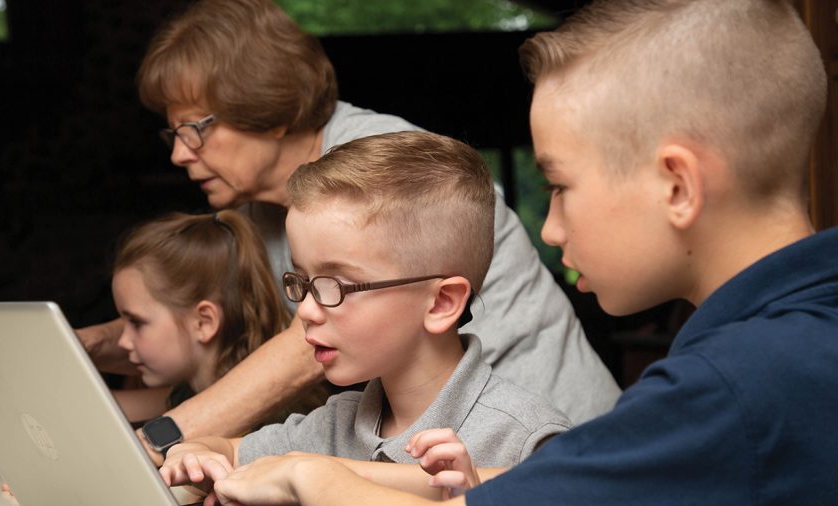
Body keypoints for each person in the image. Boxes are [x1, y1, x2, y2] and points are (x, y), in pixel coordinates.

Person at [207, 1, 838, 506]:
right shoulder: (797, 339)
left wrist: (310, 469)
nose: (553, 228)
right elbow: (558, 485)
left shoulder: (724, 389)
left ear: (677, 184)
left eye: (560, 185)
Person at [75, 0, 620, 451]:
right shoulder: (252, 213)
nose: (180, 154)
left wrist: (157, 443)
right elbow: (194, 327)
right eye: (173, 134)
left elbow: (298, 354)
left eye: (194, 129)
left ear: (270, 107)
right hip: (420, 454)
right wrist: (92, 343)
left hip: (543, 448)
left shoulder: (377, 169)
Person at [161, 131, 571, 502]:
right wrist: (198, 454)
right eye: (301, 280)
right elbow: (229, 450)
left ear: (442, 303)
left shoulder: (526, 440)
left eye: (335, 285)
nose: (304, 309)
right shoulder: (336, 424)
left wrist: (475, 505)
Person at [0, 210, 310, 445]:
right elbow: (86, 412)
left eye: (137, 322)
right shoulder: (180, 394)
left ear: (204, 322)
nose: (122, 341)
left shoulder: (279, 414)